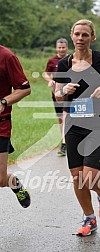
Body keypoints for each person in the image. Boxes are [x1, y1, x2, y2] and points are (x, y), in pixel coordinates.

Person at [55, 19, 100, 236]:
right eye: (77, 34)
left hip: (97, 124)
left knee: (89, 177)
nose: (80, 38)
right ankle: (89, 218)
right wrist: (64, 89)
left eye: (85, 35)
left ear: (92, 37)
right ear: (71, 35)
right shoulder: (64, 64)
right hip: (74, 125)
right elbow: (57, 94)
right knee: (77, 177)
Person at [0, 45, 31, 208]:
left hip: (1, 124)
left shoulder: (7, 57)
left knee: (0, 179)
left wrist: (4, 102)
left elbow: (24, 88)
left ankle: (13, 182)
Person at [44, 38, 68, 156]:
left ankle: (65, 143)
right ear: (56, 48)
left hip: (69, 93)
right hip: (56, 93)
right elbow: (46, 73)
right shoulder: (52, 60)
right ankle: (64, 139)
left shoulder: (71, 59)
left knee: (66, 115)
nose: (61, 49)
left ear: (67, 48)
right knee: (60, 118)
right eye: (59, 47)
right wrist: (50, 80)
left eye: (63, 47)